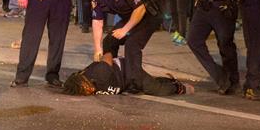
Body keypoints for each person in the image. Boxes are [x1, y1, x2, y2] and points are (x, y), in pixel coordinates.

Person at [91, 0, 161, 93]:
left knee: (132, 44)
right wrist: (97, 48)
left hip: (148, 16)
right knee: (109, 41)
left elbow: (140, 9)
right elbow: (97, 21)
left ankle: (134, 83)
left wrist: (125, 30)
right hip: (129, 17)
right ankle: (109, 74)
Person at [63, 52, 194, 96]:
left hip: (127, 70)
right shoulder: (87, 86)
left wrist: (108, 62)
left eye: (85, 88)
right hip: (125, 82)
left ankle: (179, 88)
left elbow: (108, 55)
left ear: (83, 82)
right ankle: (168, 81)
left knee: (154, 88)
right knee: (148, 83)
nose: (89, 90)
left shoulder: (98, 73)